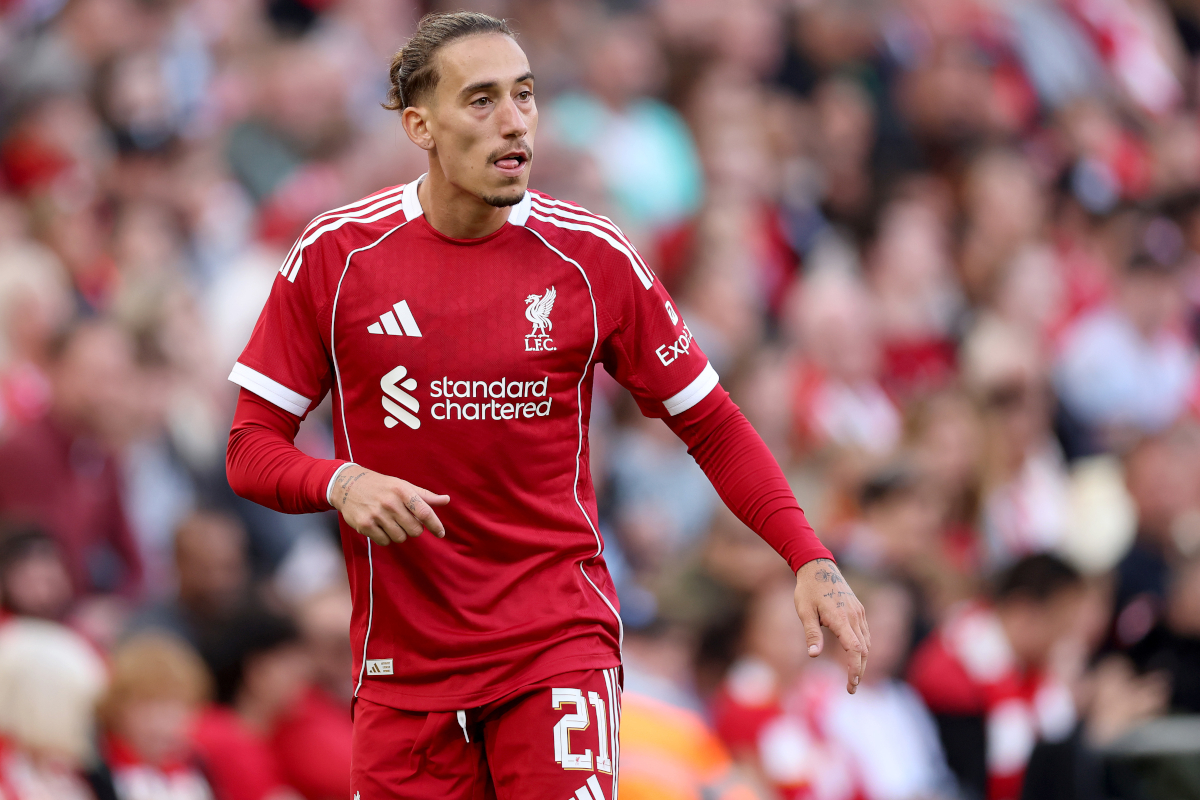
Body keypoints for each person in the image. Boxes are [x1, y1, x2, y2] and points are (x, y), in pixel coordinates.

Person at [224, 11, 868, 798]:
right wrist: (341, 483)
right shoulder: (337, 255)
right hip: (403, 666)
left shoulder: (592, 257)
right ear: (420, 125)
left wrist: (807, 554)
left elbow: (711, 423)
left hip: (554, 641)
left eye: (525, 97)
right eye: (483, 100)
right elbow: (251, 447)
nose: (515, 121)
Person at [907, 554, 1086, 800]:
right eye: (1061, 624)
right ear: (1025, 612)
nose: (1066, 639)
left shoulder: (1031, 679)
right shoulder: (950, 670)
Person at [92, 633, 216, 800]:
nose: (162, 726)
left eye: (175, 711)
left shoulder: (195, 771)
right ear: (118, 710)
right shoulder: (101, 773)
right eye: (148, 710)